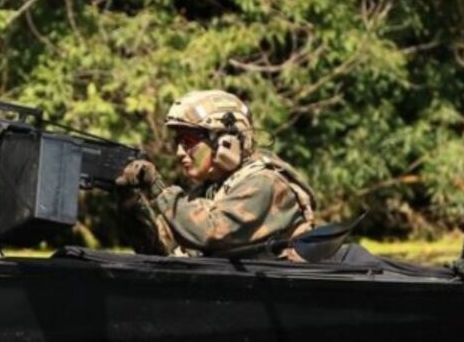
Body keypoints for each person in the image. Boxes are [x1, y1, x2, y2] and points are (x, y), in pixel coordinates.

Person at [115, 90, 318, 257]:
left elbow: (210, 233)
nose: (179, 152)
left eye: (189, 142)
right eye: (177, 142)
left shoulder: (264, 183)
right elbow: (158, 248)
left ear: (226, 142)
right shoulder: (212, 190)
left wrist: (158, 189)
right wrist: (129, 200)